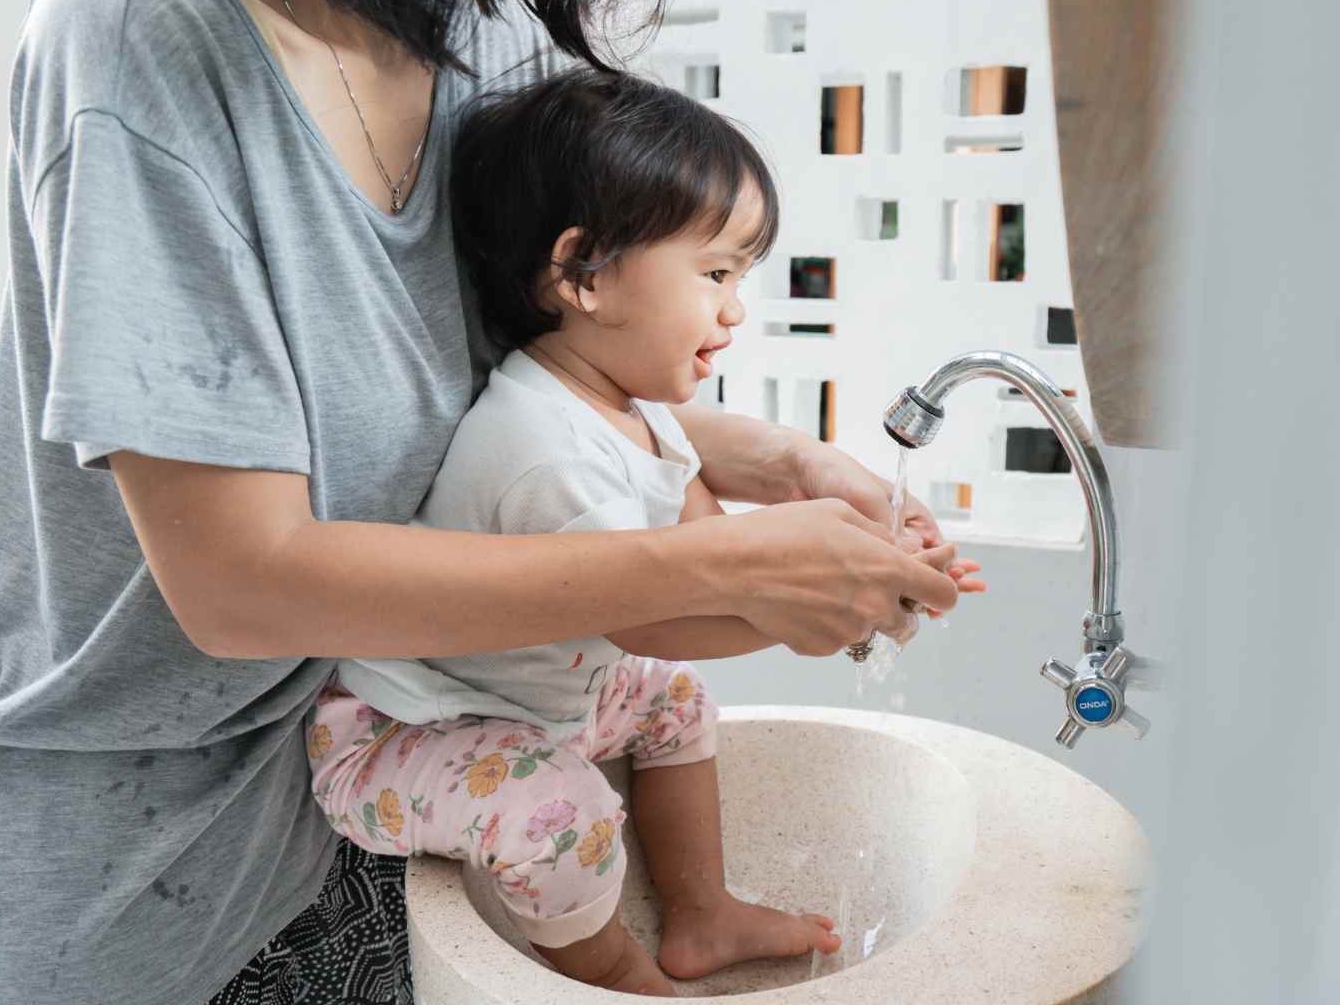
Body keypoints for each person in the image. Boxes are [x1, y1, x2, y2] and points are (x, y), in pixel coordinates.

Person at [0, 0, 960, 1002]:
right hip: (114, 882)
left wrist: (784, 464)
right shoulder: (142, 26)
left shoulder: (487, 49)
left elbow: (521, 387)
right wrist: (738, 573)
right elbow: (242, 587)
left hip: (369, 837)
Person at [308, 67, 985, 996]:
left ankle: (701, 911)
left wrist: (866, 565)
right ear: (583, 273)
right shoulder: (542, 445)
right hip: (405, 731)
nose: (736, 308)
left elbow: (698, 546)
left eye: (739, 276)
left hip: (529, 696)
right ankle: (618, 972)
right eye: (715, 274)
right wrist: (809, 613)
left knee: (673, 700)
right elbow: (657, 617)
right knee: (561, 812)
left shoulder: (622, 403)